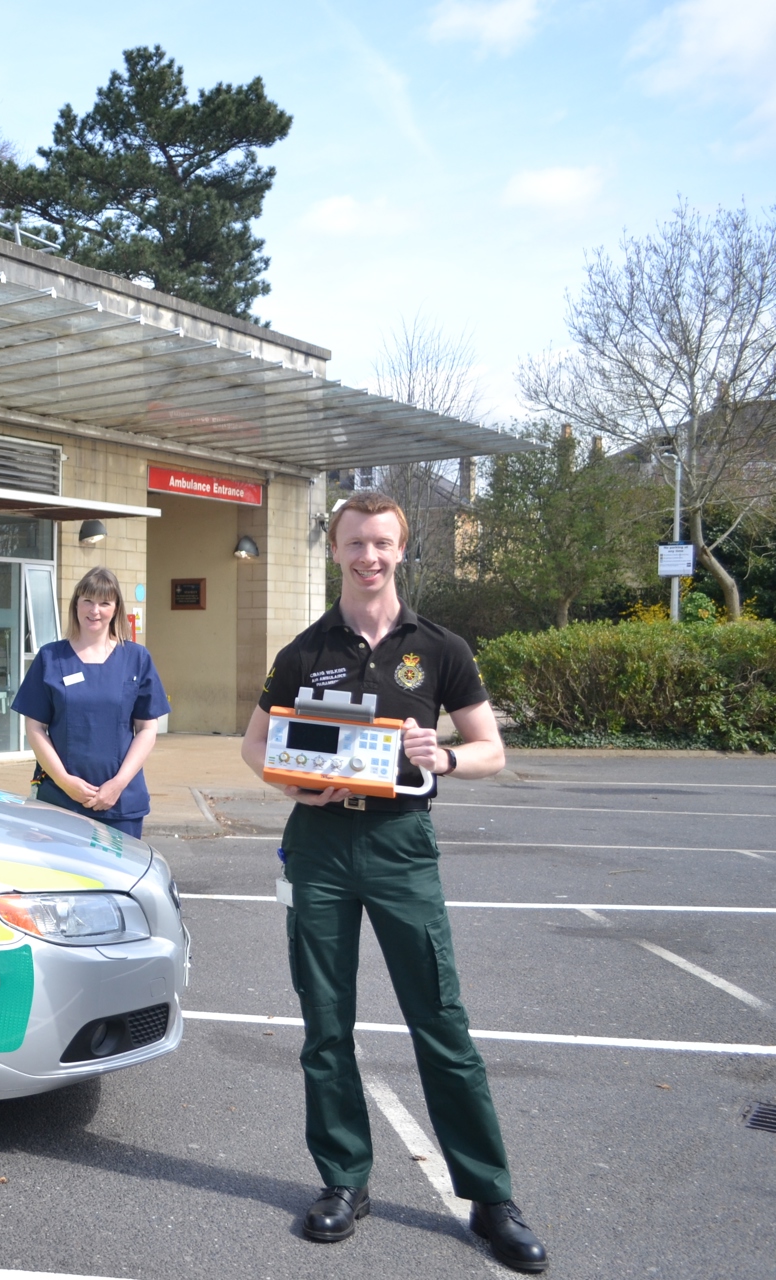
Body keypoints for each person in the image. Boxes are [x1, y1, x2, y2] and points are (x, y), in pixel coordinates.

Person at [240, 493, 548, 1273]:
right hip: (319, 847)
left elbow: (489, 750)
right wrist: (294, 787)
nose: (368, 557)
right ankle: (344, 1181)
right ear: (335, 549)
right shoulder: (304, 650)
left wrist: (440, 756)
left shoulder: (440, 648)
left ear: (401, 549)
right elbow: (256, 744)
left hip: (402, 844)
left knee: (440, 1021)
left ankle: (488, 1196)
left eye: (381, 543)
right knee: (325, 1024)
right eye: (354, 543)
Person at [12, 566, 169, 838]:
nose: (94, 610)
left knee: (118, 881)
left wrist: (118, 784)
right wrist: (64, 782)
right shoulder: (51, 658)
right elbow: (35, 728)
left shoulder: (136, 658)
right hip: (59, 802)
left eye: (104, 603)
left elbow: (147, 729)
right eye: (87, 601)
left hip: (120, 804)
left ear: (116, 608)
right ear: (76, 605)